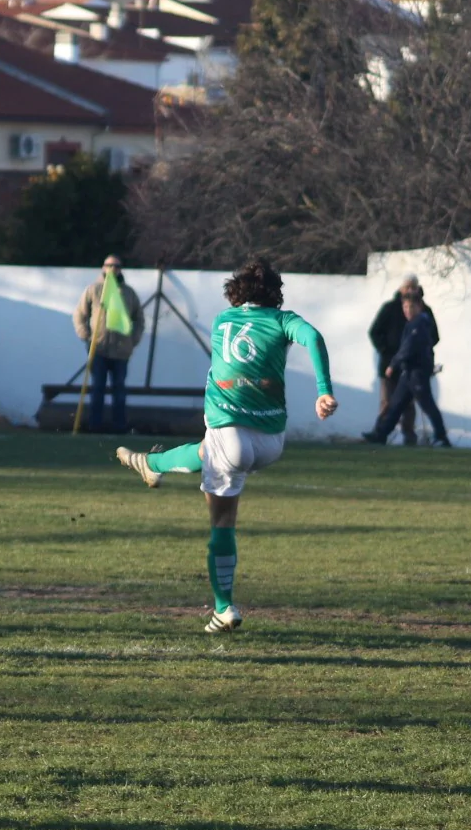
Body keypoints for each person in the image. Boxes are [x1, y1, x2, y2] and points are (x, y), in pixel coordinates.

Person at [112, 257, 337, 633]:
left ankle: (223, 608)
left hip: (229, 432)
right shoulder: (284, 321)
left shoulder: (221, 321)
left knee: (221, 522)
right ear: (276, 295)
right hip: (271, 442)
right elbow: (314, 337)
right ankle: (152, 465)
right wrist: (323, 392)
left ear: (236, 292)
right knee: (205, 450)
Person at [363, 291, 450, 447]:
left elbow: (408, 348)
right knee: (396, 405)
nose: (407, 310)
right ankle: (381, 435)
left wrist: (393, 364)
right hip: (408, 373)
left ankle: (442, 437)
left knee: (428, 405)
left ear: (419, 307)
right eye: (405, 307)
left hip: (417, 372)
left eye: (411, 307)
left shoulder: (420, 324)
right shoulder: (412, 324)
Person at [72, 255, 145, 434]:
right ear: (103, 268)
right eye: (109, 265)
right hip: (99, 349)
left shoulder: (128, 293)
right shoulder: (94, 290)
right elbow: (79, 315)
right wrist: (87, 337)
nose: (112, 269)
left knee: (119, 390)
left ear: (120, 269)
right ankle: (94, 426)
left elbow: (139, 320)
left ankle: (119, 427)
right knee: (97, 389)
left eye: (116, 266)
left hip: (121, 352)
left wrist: (133, 341)